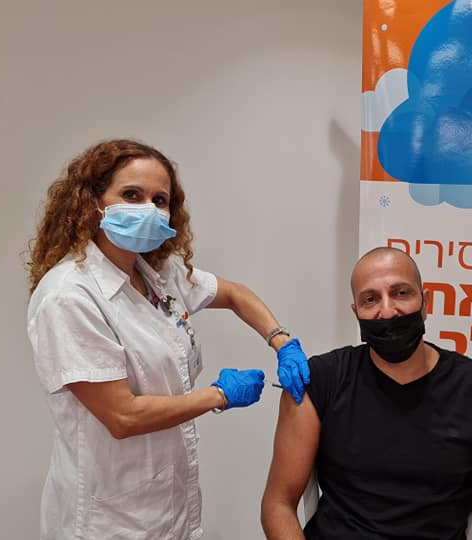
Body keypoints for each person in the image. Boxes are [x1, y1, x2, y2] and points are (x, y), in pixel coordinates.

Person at [26, 139, 310, 540]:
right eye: (132, 195)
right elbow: (123, 417)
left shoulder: (157, 272)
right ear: (93, 202)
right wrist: (219, 395)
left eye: (159, 200)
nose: (148, 209)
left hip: (169, 504)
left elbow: (234, 294)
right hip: (108, 520)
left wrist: (281, 341)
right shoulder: (69, 295)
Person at [261, 247, 472, 540]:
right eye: (370, 299)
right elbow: (278, 504)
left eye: (401, 293)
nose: (387, 311)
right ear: (356, 313)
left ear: (425, 303)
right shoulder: (321, 379)